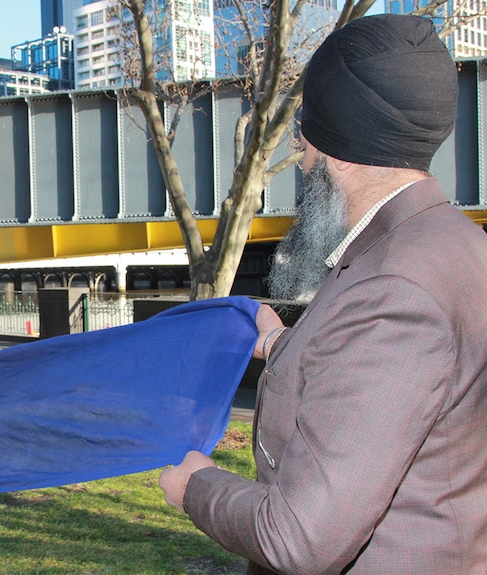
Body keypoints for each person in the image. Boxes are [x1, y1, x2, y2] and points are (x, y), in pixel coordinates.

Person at [159, 14, 487, 574]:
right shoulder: (455, 243)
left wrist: (196, 487)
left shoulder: (392, 287)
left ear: (330, 147)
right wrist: (278, 344)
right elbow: (390, 380)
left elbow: (301, 539)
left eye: (305, 140)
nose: (302, 157)